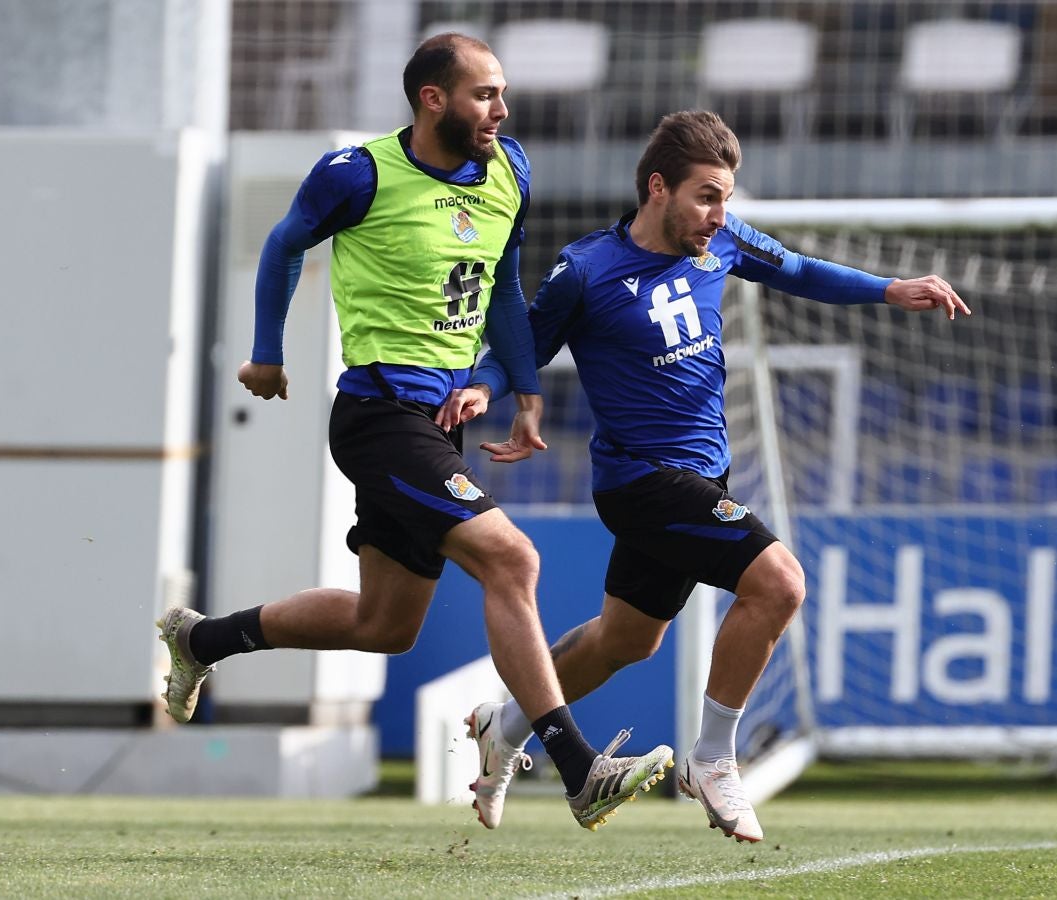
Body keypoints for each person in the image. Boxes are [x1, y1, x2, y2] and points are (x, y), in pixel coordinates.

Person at [154, 33, 672, 832]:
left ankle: (203, 640)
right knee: (513, 558)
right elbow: (284, 244)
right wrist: (266, 351)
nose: (500, 109)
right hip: (379, 417)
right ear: (433, 99)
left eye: (501, 93)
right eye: (483, 95)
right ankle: (577, 768)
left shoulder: (509, 171)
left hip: (437, 426)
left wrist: (523, 390)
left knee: (384, 625)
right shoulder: (356, 174)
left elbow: (501, 286)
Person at [441, 110, 969, 842]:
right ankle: (714, 758)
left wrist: (890, 289)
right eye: (707, 197)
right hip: (639, 481)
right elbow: (522, 349)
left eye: (727, 199)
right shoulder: (587, 269)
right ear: (658, 188)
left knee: (627, 641)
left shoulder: (721, 244)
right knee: (780, 582)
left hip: (703, 477)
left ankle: (501, 724)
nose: (720, 215)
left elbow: (800, 270)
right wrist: (484, 389)